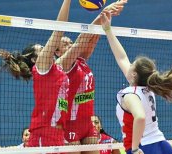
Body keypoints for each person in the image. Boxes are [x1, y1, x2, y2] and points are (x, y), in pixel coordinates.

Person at [100, 11, 172, 154]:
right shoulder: (147, 88)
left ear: (133, 74)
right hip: (162, 145)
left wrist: (134, 149)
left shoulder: (130, 95)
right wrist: (108, 29)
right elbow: (121, 57)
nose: (129, 64)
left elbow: (140, 117)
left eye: (131, 65)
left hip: (144, 148)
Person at [0, 0, 71, 147]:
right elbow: (58, 31)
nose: (46, 49)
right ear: (36, 59)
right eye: (42, 49)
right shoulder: (41, 66)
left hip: (58, 133)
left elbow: (78, 48)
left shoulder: (56, 68)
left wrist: (102, 22)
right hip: (44, 132)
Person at [54, 1, 128, 154]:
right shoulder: (62, 64)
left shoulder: (81, 61)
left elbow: (92, 38)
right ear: (57, 52)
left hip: (87, 124)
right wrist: (100, 15)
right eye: (65, 44)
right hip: (70, 124)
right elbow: (82, 39)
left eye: (70, 42)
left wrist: (107, 17)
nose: (69, 43)